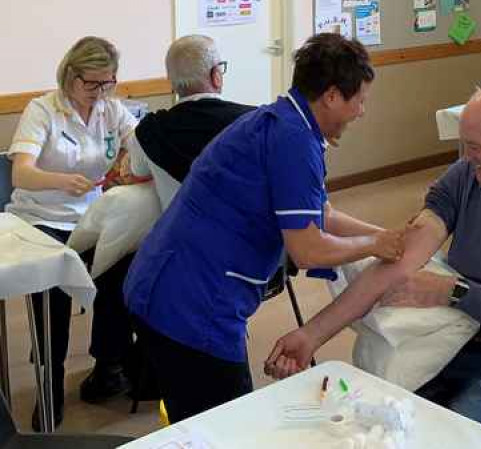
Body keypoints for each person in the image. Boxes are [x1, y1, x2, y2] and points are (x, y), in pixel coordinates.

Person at [264, 82, 481, 439]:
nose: (466, 158)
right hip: (450, 341)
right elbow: (397, 264)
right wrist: (310, 335)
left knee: (440, 438)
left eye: (474, 147)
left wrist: (454, 292)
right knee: (373, 422)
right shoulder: (466, 176)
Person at [123, 34, 405, 422]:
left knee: (206, 420)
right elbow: (308, 248)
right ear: (333, 96)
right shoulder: (292, 140)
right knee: (228, 426)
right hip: (189, 304)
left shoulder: (280, 119)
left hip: (165, 283)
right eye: (360, 100)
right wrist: (374, 243)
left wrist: (386, 237)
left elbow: (318, 212)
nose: (361, 111)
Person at [6, 37, 138, 430]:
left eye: (108, 83)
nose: (100, 93)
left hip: (93, 214)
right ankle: (51, 380)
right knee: (56, 285)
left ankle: (108, 366)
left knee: (125, 270)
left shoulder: (110, 108)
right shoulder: (43, 109)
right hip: (43, 214)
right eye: (92, 84)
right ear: (70, 76)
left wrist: (132, 162)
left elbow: (139, 144)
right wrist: (62, 181)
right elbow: (21, 172)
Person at [126, 35, 253, 210]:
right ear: (216, 76)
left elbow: (136, 173)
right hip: (244, 234)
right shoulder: (254, 122)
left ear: (172, 82)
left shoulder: (148, 131)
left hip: (177, 235)